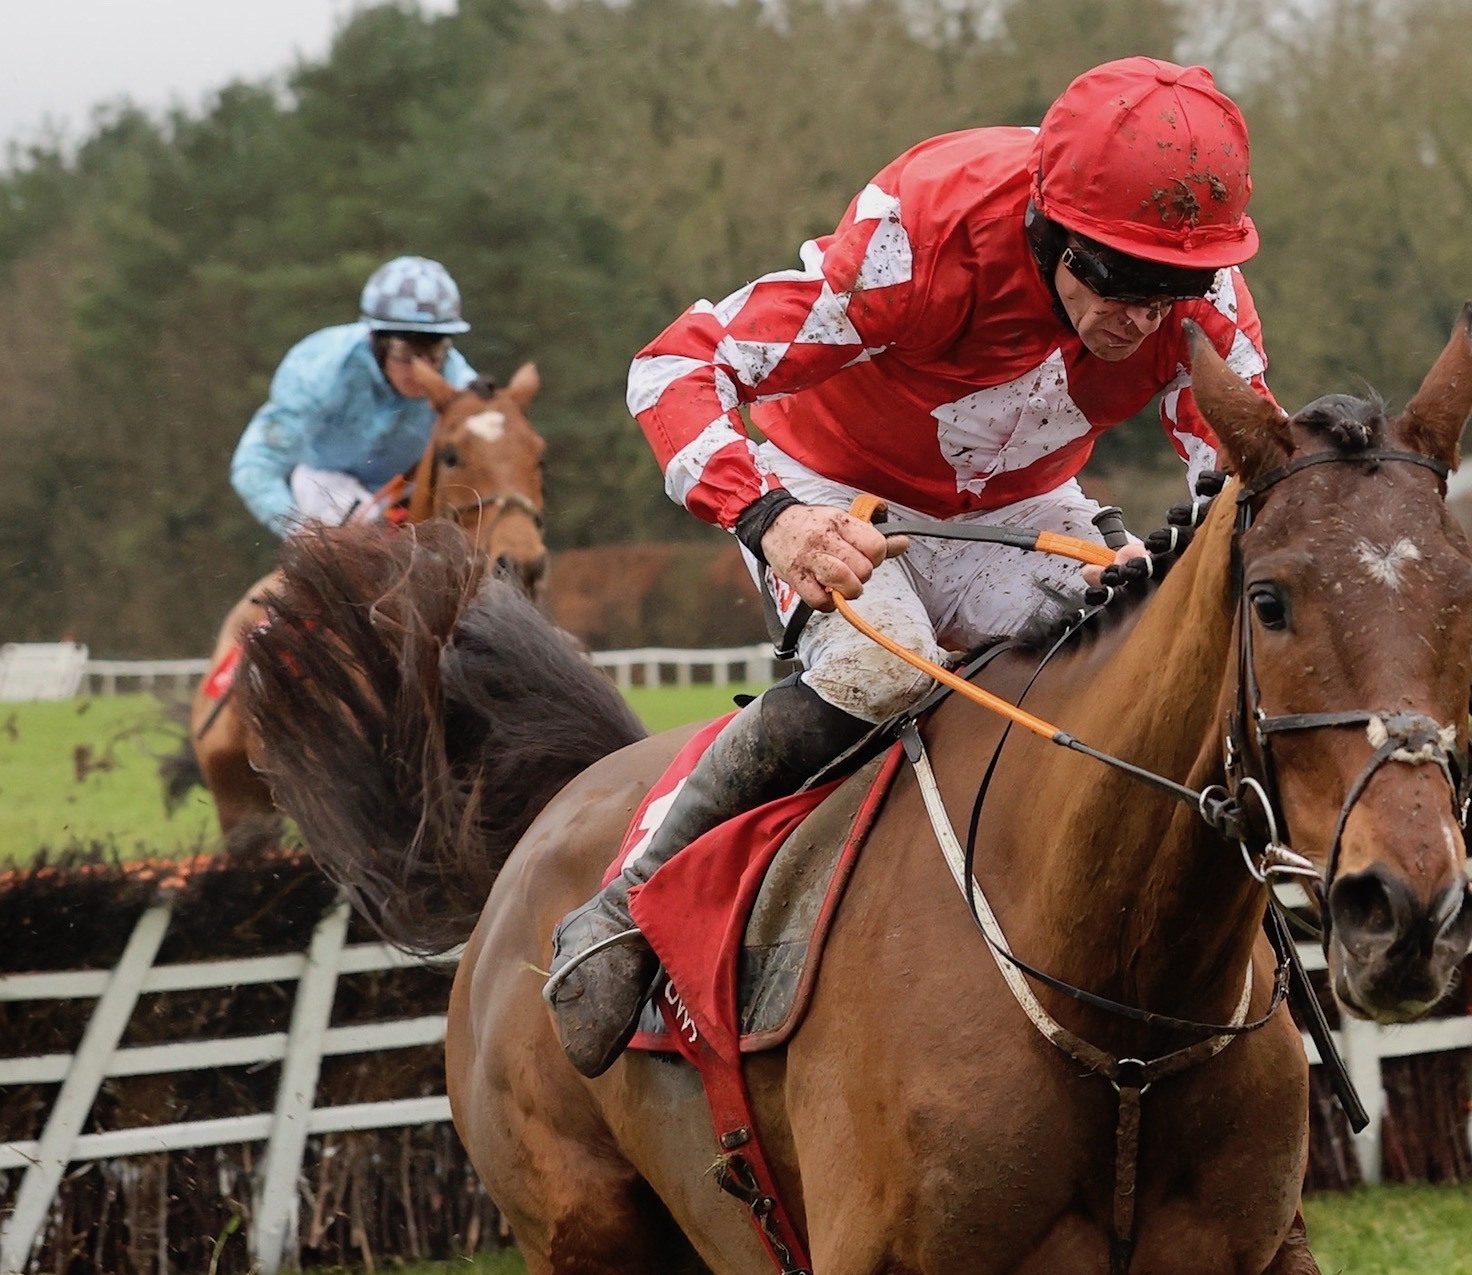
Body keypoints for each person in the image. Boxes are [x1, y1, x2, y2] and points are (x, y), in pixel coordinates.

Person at [546, 56, 1282, 1077]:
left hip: (1024, 503)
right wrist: (771, 520)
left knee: (1142, 661)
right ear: (1049, 226)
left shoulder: (1198, 290)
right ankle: (629, 898)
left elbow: (1251, 485)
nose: (1144, 320)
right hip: (835, 489)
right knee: (882, 668)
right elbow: (673, 366)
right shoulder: (920, 239)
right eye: (1117, 282)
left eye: (1176, 289)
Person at [230, 256, 478, 534]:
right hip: (327, 488)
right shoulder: (319, 370)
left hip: (414, 494)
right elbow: (255, 466)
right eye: (405, 353)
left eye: (435, 353)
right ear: (377, 342)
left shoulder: (461, 385)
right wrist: (300, 534)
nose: (422, 370)